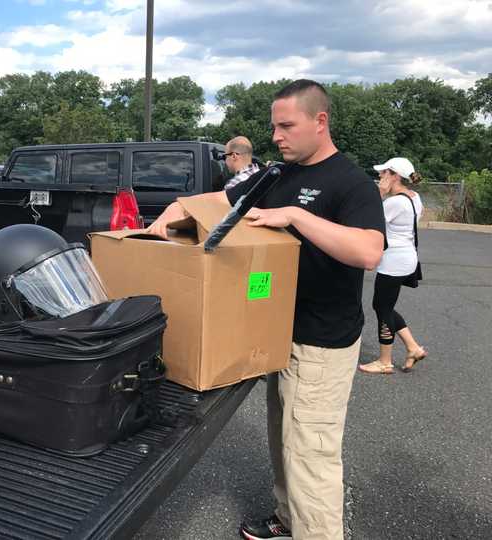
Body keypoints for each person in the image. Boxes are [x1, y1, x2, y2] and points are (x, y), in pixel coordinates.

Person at [146, 79, 385, 540]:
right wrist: (173, 211)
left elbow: (369, 251)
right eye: (274, 126)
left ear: (320, 122)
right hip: (277, 330)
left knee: (310, 453)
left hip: (322, 341)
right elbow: (221, 200)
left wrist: (296, 216)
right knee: (283, 437)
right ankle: (288, 520)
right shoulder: (278, 175)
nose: (276, 136)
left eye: (286, 126)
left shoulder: (351, 183)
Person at [359, 158, 427, 375]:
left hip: (394, 262)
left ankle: (385, 361)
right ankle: (413, 348)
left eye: (384, 172)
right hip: (407, 258)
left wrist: (379, 193)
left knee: (382, 307)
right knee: (384, 306)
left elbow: (367, 220)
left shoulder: (394, 202)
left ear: (394, 175)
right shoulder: (415, 198)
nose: (380, 176)